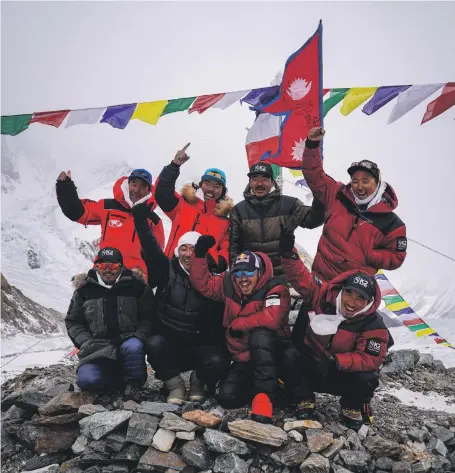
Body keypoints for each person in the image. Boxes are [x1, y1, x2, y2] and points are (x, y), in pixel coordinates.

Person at [279, 229, 392, 430]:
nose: (352, 302)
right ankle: (304, 398)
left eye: (361, 298)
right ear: (341, 290)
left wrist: (337, 362)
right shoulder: (322, 295)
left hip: (338, 373)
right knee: (288, 354)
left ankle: (351, 404)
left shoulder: (374, 324)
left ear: (369, 302)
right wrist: (289, 253)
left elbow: (370, 359)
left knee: (368, 377)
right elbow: (300, 277)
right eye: (350, 293)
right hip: (311, 366)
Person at [132, 204, 229, 404]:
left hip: (201, 344)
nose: (187, 254)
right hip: (171, 344)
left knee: (219, 359)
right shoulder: (166, 270)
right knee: (153, 344)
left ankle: (197, 382)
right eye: (183, 249)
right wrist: (141, 224)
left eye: (193, 249)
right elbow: (151, 249)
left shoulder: (214, 276)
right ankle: (174, 385)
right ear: (177, 251)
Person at [190, 236, 291, 423]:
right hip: (243, 358)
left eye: (248, 272)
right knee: (228, 398)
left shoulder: (275, 287)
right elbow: (203, 284)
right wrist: (199, 255)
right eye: (238, 273)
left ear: (259, 272)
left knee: (260, 335)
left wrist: (238, 324)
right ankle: (266, 388)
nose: (243, 278)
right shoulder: (228, 285)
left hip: (274, 354)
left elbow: (274, 317)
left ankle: (264, 398)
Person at [300, 127, 407, 281]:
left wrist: (371, 254)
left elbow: (397, 257)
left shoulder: (393, 224)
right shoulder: (337, 194)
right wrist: (312, 145)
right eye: (355, 181)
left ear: (377, 183)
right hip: (319, 281)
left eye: (366, 181)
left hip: (352, 290)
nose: (359, 186)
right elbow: (314, 174)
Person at [65, 247, 155, 401]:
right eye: (102, 266)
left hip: (127, 342)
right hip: (96, 348)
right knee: (87, 381)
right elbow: (74, 321)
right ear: (96, 267)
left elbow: (148, 317)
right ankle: (115, 380)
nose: (108, 270)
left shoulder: (137, 287)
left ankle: (133, 385)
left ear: (121, 266)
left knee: (134, 346)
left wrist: (139, 336)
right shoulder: (84, 291)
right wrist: (86, 341)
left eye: (113, 266)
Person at [56, 168, 165, 276]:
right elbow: (77, 212)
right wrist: (66, 188)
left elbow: (156, 255)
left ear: (149, 190)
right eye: (134, 184)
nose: (136, 190)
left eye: (143, 187)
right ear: (128, 184)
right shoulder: (108, 207)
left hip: (135, 278)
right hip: (103, 271)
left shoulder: (153, 220)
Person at [229, 162, 325, 276]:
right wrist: (235, 275)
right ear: (250, 182)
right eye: (255, 179)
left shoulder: (290, 204)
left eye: (264, 179)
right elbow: (234, 248)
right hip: (251, 276)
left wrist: (319, 199)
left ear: (272, 182)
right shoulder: (238, 210)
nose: (259, 183)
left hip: (282, 275)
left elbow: (313, 221)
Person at [155, 143, 233, 272]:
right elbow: (162, 193)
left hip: (201, 277)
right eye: (207, 183)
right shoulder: (183, 204)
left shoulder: (224, 221)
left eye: (217, 186)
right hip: (170, 270)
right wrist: (174, 165)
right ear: (200, 185)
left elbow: (224, 253)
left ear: (223, 191)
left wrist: (212, 263)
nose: (211, 189)